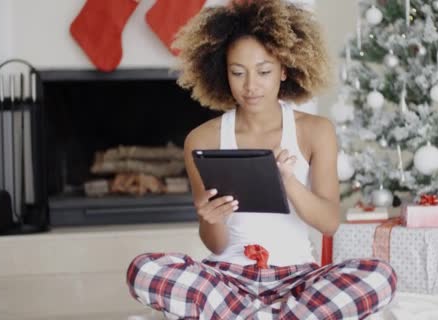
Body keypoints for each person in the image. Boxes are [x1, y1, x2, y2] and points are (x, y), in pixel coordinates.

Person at [126, 1, 396, 318]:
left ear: (284, 69)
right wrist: (212, 219)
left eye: (264, 71)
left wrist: (289, 183)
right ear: (222, 73)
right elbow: (214, 245)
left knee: (380, 276)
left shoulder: (315, 131)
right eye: (237, 73)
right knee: (142, 270)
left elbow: (329, 222)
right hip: (226, 278)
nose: (251, 86)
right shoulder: (202, 140)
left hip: (298, 280)